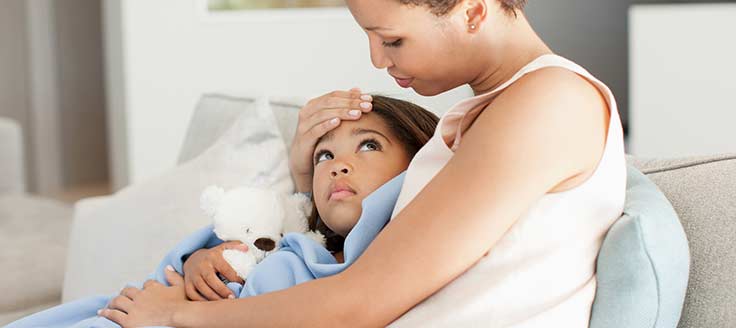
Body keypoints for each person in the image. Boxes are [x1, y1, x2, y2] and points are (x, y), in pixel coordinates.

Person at [100, 0, 626, 327]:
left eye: (393, 39)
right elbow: (362, 262)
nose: (378, 60)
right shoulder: (490, 113)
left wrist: (176, 315)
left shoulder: (548, 102)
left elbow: (358, 303)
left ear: (471, 11)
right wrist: (306, 177)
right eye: (371, 38)